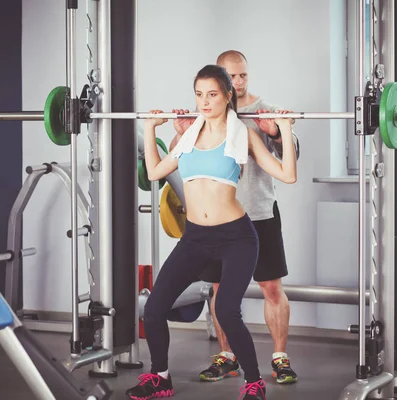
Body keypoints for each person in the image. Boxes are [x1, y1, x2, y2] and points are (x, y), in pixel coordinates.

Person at [125, 64, 296, 400]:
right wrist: (148, 128)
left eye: (212, 94)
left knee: (226, 311)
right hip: (195, 238)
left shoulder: (242, 134)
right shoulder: (189, 134)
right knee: (155, 307)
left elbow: (287, 175)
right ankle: (160, 376)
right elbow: (156, 170)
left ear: (228, 96)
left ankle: (253, 382)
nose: (204, 102)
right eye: (199, 94)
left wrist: (285, 129)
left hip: (236, 237)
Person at [169, 50, 300, 385]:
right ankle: (227, 356)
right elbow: (177, 156)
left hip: (259, 211)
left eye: (243, 75)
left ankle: (280, 358)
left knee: (271, 287)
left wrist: (275, 132)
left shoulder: (263, 110)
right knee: (219, 289)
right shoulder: (203, 114)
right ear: (221, 82)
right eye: (232, 77)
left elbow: (291, 154)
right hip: (217, 222)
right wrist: (178, 131)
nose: (239, 82)